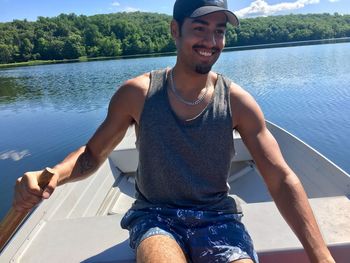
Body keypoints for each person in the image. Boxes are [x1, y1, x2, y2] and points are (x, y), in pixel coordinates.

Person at [13, 0, 335, 262]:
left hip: (218, 219)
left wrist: (321, 256)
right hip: (155, 217)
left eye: (219, 32)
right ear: (174, 31)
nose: (210, 42)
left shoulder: (238, 102)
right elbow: (92, 155)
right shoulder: (137, 94)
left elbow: (280, 177)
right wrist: (54, 173)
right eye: (199, 29)